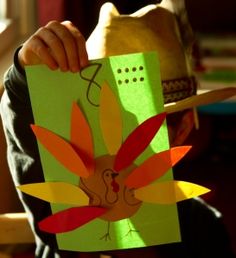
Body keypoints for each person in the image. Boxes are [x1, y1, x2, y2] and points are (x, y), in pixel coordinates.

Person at [1, 1, 236, 258]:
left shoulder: (202, 230)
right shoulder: (60, 211)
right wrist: (25, 70)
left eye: (139, 132)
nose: (115, 153)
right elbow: (26, 141)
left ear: (181, 130)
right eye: (98, 125)